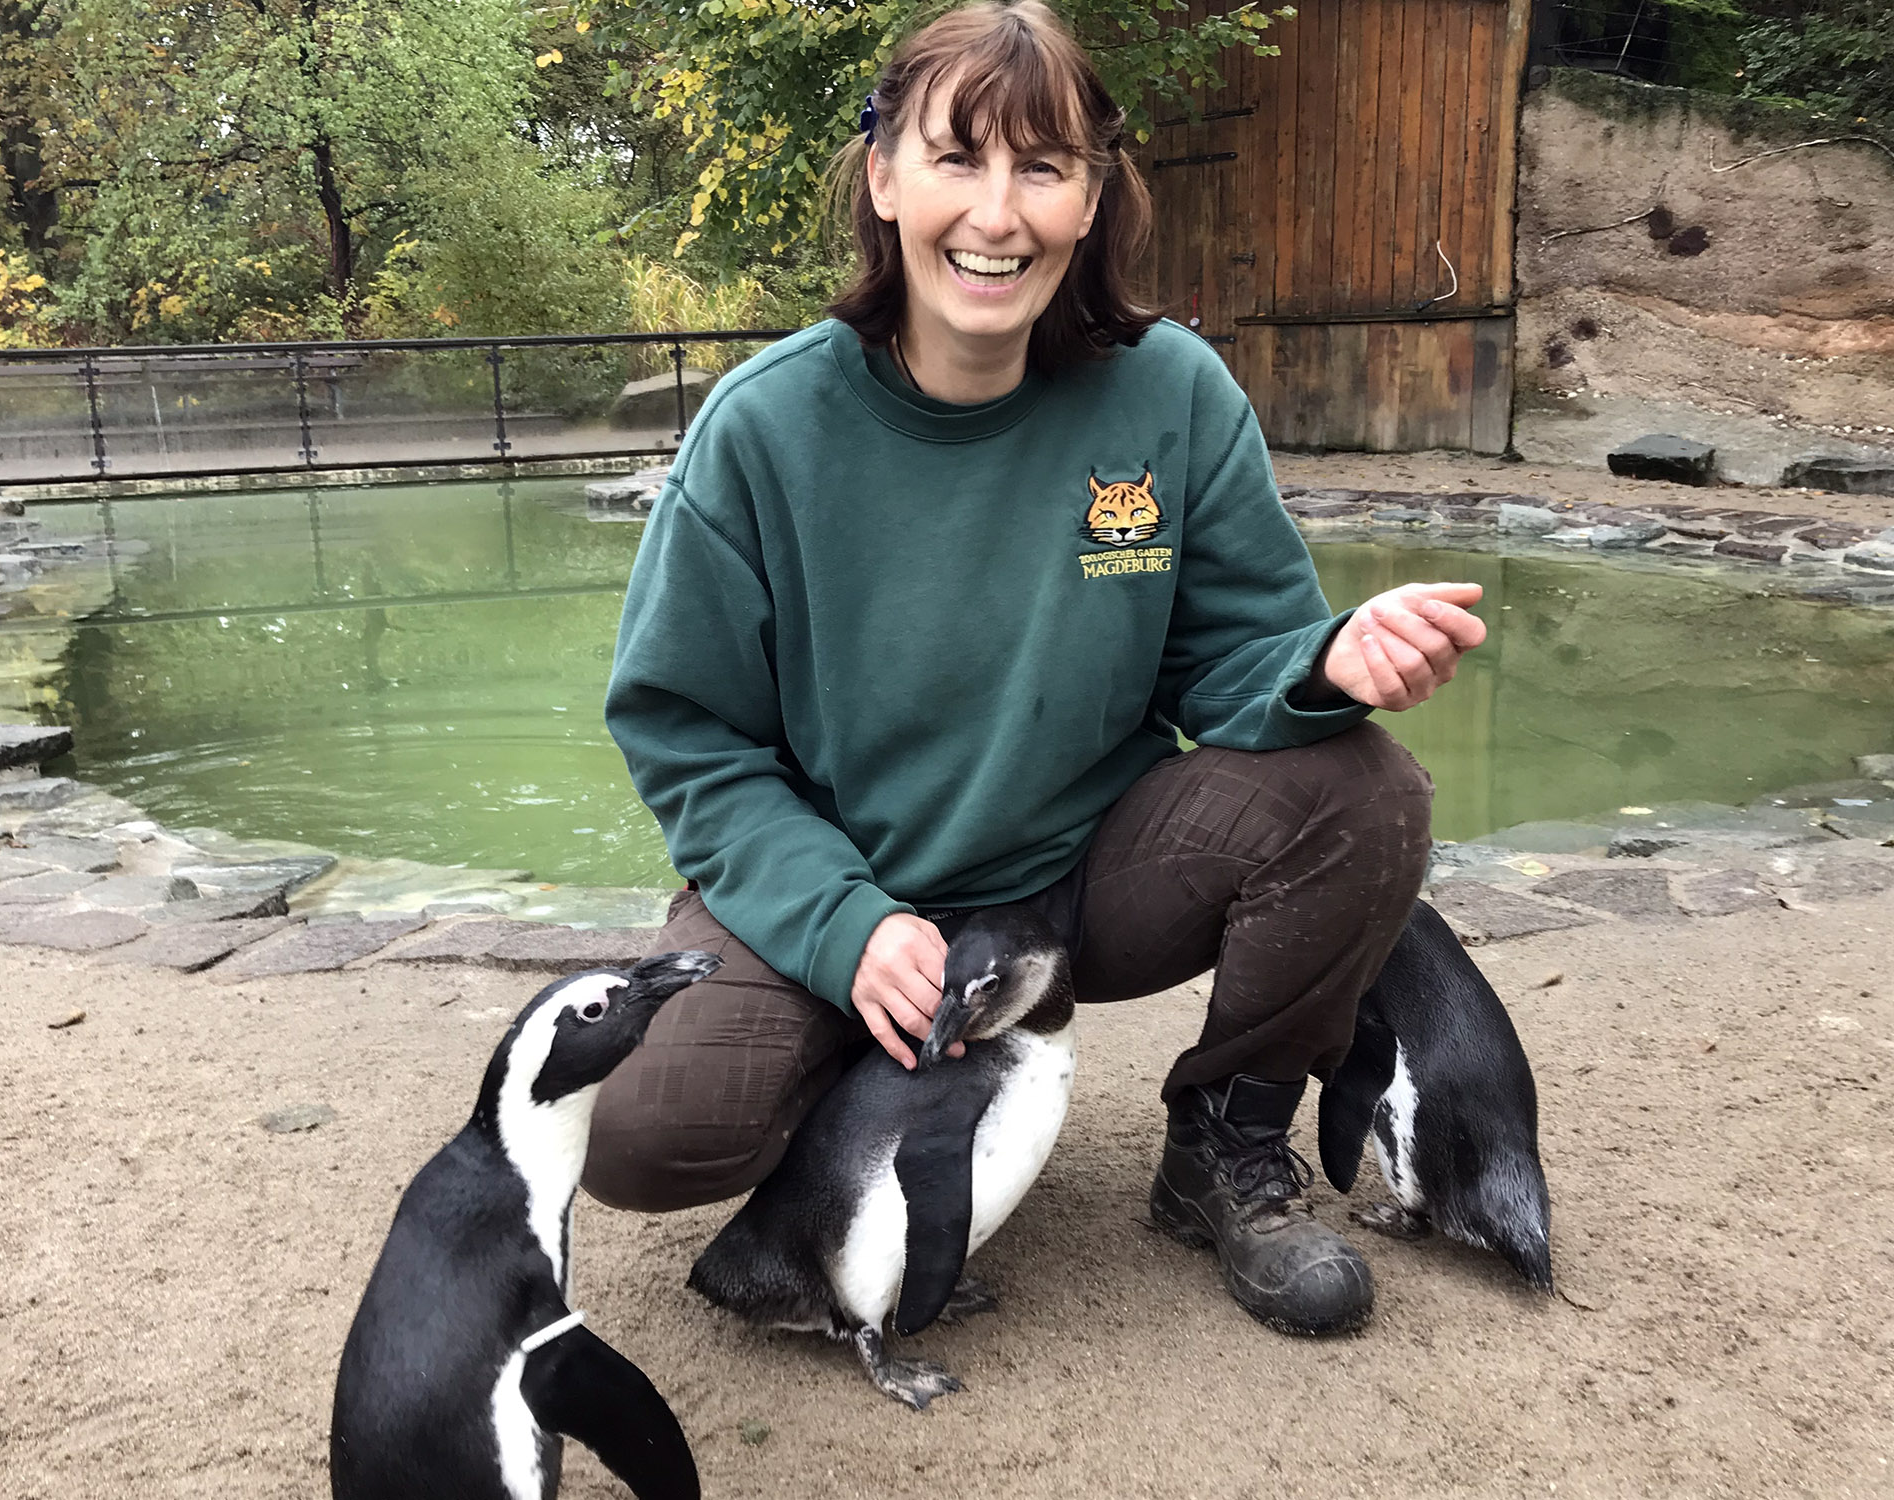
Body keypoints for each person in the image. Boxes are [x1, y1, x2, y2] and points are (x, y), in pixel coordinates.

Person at [584, 0, 1485, 1338]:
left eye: (1043, 167)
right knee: (645, 1135)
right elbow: (689, 741)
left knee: (1363, 790)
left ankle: (1224, 1148)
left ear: (1091, 198)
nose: (996, 215)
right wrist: (843, 930)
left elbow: (1235, 661)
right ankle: (881, 1054)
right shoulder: (764, 428)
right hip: (845, 870)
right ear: (884, 178)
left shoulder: (1168, 392)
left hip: (1078, 885)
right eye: (958, 158)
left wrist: (1329, 660)